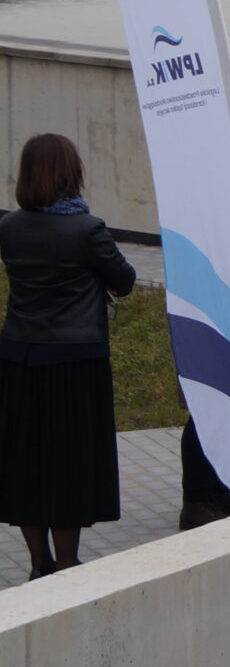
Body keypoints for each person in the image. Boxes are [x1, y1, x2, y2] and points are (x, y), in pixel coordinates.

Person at [0, 134, 135, 574]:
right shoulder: (87, 229)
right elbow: (127, 278)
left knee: (27, 461)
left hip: (19, 358)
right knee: (69, 462)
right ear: (69, 173)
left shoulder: (10, 227)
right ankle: (69, 561)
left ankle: (39, 563)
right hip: (76, 362)